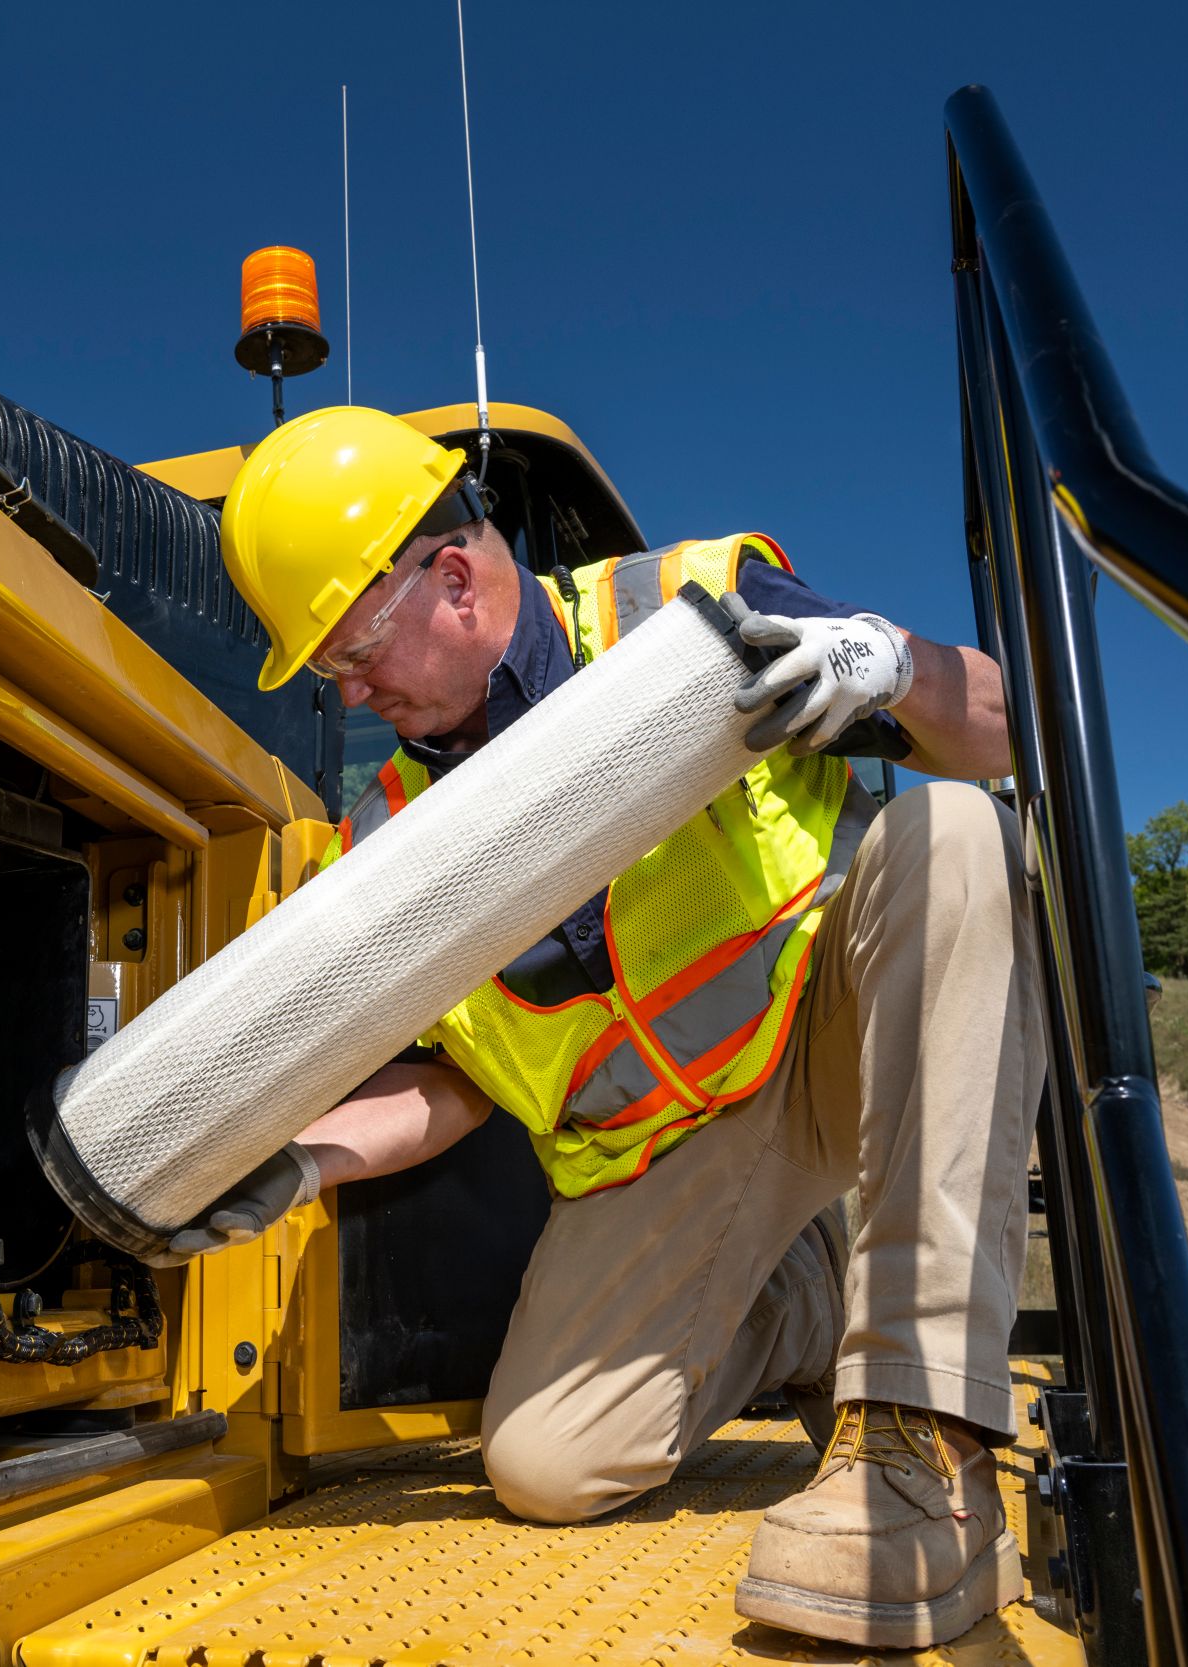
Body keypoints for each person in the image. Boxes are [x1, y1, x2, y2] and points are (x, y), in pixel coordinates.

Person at [181, 406, 1046, 1652]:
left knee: (957, 833)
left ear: (457, 578)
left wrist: (888, 666)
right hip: (666, 1161)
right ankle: (801, 1304)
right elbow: (458, 1083)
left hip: (830, 1044)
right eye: (327, 675)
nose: (349, 689)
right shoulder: (391, 839)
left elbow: (1011, 728)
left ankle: (922, 1446)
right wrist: (306, 1159)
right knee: (544, 1463)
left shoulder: (688, 612)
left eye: (349, 653)